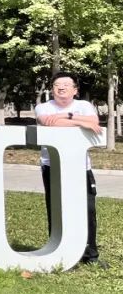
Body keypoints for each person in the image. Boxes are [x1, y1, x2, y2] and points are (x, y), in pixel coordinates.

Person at [35, 71, 104, 266]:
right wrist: (81, 122)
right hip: (53, 166)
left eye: (66, 84)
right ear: (52, 89)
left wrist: (67, 115)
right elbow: (49, 123)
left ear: (75, 90)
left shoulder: (84, 105)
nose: (61, 87)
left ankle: (90, 255)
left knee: (87, 209)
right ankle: (59, 253)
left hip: (81, 167)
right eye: (57, 84)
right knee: (56, 209)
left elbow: (94, 123)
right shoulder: (43, 107)